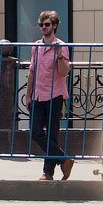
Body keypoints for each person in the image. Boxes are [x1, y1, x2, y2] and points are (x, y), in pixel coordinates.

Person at [25, 10, 74, 181]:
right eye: (41, 25)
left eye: (47, 24)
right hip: (38, 94)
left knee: (52, 134)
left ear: (54, 26)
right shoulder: (36, 46)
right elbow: (32, 71)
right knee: (36, 132)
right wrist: (28, 94)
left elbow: (64, 72)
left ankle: (48, 173)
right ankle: (63, 159)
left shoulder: (61, 45)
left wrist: (60, 55)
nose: (43, 28)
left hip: (55, 94)